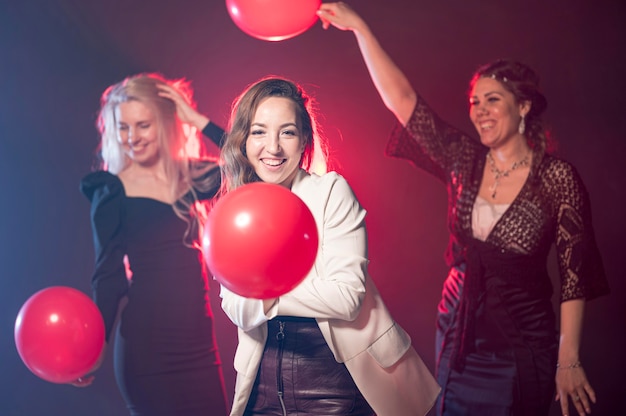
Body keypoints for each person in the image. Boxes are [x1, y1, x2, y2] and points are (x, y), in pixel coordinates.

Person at [317, 3, 610, 416]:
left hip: (522, 342)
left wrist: (569, 360)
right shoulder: (464, 160)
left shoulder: (556, 177)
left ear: (523, 106)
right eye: (474, 102)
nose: (480, 111)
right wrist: (361, 30)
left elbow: (574, 277)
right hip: (459, 330)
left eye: (493, 99)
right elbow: (403, 102)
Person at [218, 76, 441, 416]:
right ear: (243, 139)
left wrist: (264, 293)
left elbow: (347, 298)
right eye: (259, 131)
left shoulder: (330, 193)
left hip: (335, 389)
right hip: (261, 393)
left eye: (288, 132)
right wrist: (288, 296)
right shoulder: (234, 210)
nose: (273, 147)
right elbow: (238, 309)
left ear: (304, 138)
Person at [77, 73, 229, 415]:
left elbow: (254, 165)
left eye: (142, 125)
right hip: (146, 346)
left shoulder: (191, 175)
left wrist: (197, 121)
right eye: (123, 127)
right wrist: (94, 346)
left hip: (199, 342)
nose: (132, 138)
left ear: (164, 123)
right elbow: (109, 276)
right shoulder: (111, 191)